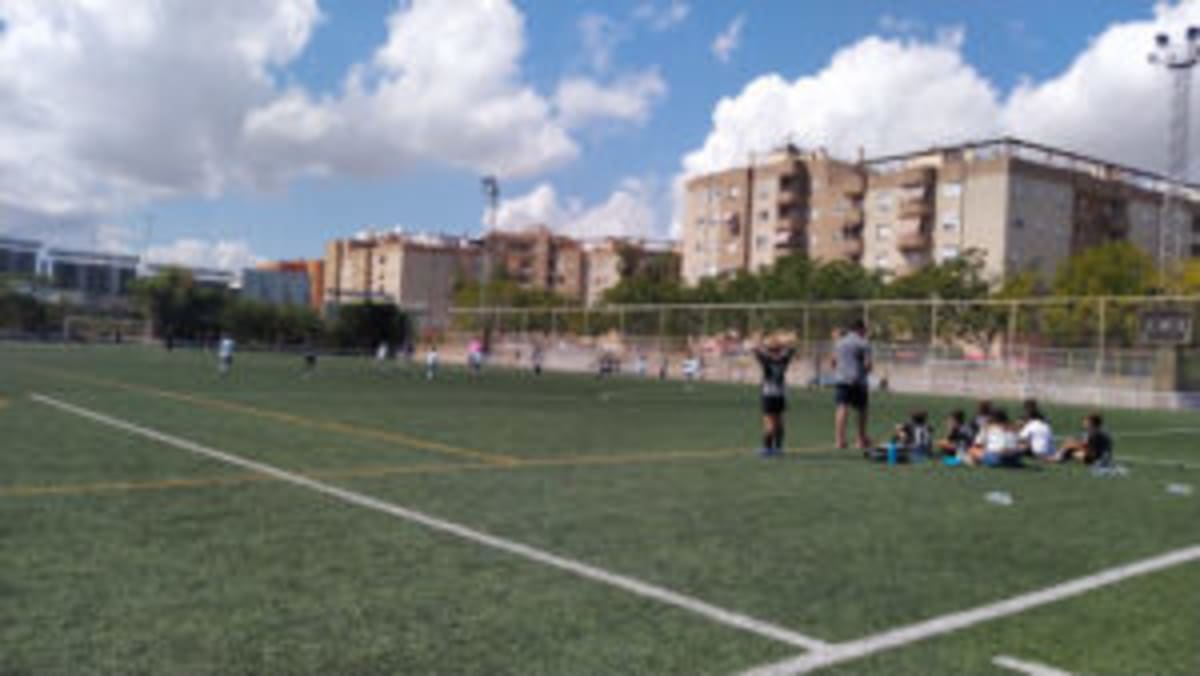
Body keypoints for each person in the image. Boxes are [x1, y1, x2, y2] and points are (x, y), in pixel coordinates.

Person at [753, 335, 797, 457]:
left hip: (768, 393)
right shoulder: (784, 358)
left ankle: (767, 448)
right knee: (779, 420)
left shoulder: (766, 359)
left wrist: (761, 342)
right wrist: (784, 343)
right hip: (781, 393)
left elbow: (755, 349)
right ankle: (778, 447)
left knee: (769, 421)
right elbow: (792, 348)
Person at [832, 319, 872, 449]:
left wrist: (841, 371)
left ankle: (840, 441)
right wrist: (865, 372)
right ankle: (860, 440)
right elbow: (867, 365)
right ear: (860, 329)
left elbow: (833, 362)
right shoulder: (863, 343)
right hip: (858, 380)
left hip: (841, 379)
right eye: (864, 329)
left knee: (842, 408)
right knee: (861, 410)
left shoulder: (839, 342)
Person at [866, 410, 932, 463]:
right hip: (927, 451)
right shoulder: (928, 426)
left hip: (912, 449)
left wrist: (899, 431)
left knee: (881, 448)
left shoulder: (910, 425)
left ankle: (885, 451)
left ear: (912, 419)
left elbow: (900, 430)